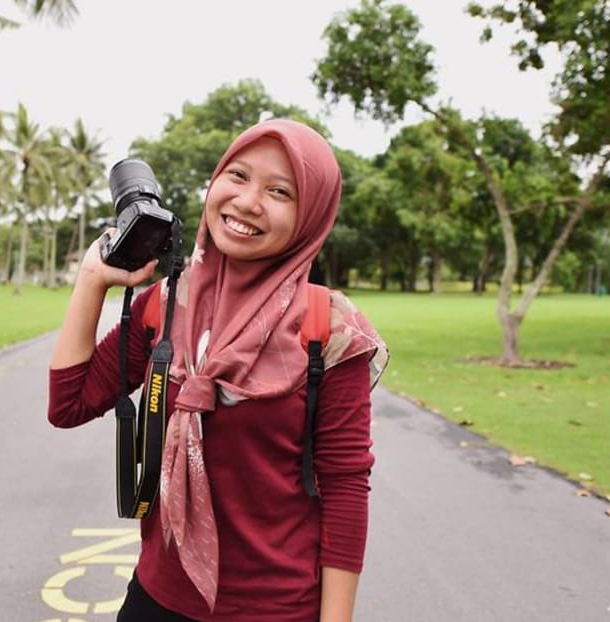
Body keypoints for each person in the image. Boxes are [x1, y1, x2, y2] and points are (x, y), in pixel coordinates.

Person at [47, 119, 388, 622]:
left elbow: (344, 488)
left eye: (279, 191)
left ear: (311, 214)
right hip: (157, 598)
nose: (249, 202)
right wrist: (92, 280)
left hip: (274, 609)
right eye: (238, 176)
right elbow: (68, 405)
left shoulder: (330, 329)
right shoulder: (165, 305)